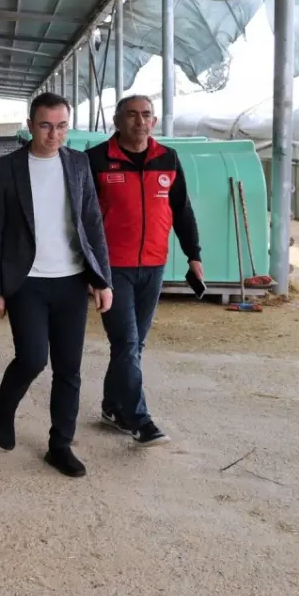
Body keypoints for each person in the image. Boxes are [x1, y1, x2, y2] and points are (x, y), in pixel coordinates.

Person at [0, 92, 113, 478]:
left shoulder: (78, 163)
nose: (54, 134)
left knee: (69, 368)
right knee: (34, 358)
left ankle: (60, 445)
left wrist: (102, 279)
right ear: (30, 125)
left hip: (71, 280)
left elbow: (92, 222)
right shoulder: (7, 167)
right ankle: (4, 404)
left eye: (61, 126)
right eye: (45, 126)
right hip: (27, 281)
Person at [86, 95, 202, 446]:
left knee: (133, 345)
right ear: (117, 120)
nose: (139, 121)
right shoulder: (96, 159)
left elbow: (181, 209)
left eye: (146, 115)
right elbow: (83, 217)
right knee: (127, 341)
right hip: (112, 267)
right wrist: (89, 269)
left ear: (154, 121)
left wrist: (193, 255)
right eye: (132, 115)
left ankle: (112, 406)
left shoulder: (168, 158)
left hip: (154, 264)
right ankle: (139, 419)